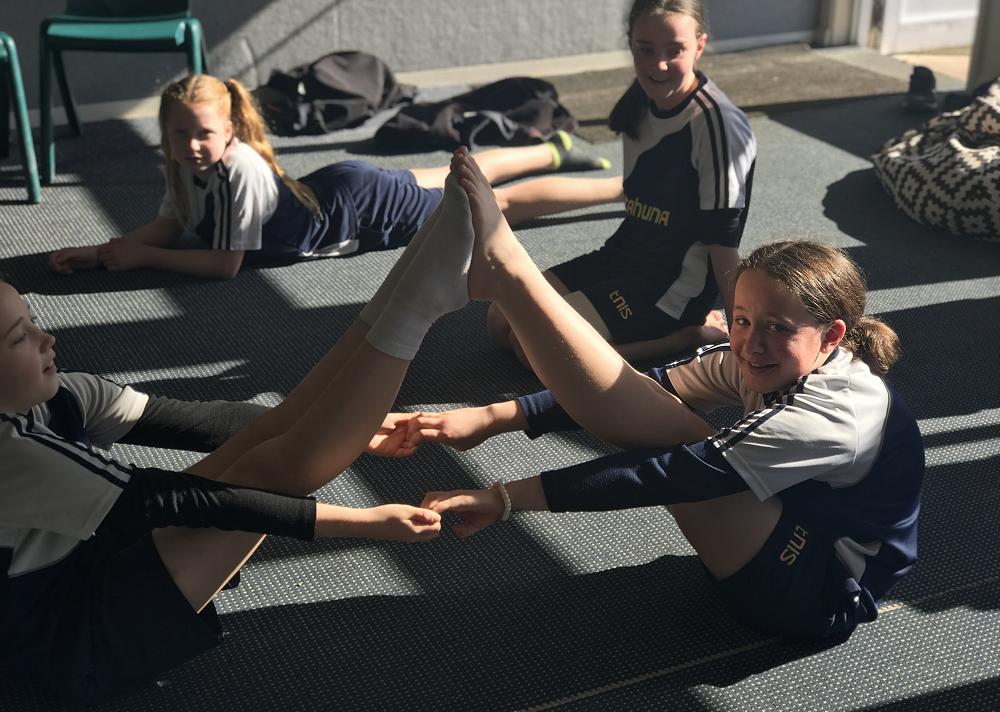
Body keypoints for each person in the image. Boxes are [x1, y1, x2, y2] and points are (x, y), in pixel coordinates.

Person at [401, 149, 924, 641]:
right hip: (792, 521)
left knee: (682, 445)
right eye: (742, 320)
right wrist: (493, 417)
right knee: (661, 409)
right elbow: (639, 389)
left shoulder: (834, 412)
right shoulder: (768, 360)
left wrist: (506, 499)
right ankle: (514, 280)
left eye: (777, 328)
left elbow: (673, 472)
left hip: (815, 593)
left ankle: (515, 277)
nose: (752, 345)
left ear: (831, 337)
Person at [1, 172, 480, 703]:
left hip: (95, 561)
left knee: (269, 439)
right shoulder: (8, 450)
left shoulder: (62, 391)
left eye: (34, 320)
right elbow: (177, 502)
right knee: (267, 472)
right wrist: (362, 523)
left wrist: (349, 421)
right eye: (20, 337)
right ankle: (416, 309)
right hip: (73, 642)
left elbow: (207, 422)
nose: (47, 338)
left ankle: (409, 289)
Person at [47, 74, 611, 280]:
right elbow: (169, 227)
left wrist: (143, 259)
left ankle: (623, 188)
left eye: (203, 134)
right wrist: (104, 251)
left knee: (494, 206)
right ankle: (553, 149)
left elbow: (224, 265)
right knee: (452, 173)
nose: (191, 145)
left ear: (230, 129)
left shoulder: (240, 170)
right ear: (166, 135)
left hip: (356, 211)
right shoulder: (185, 165)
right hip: (339, 188)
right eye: (178, 134)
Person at [485, 0, 757, 368]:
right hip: (622, 256)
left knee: (532, 348)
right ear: (630, 43)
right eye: (646, 50)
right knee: (499, 322)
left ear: (699, 46)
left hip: (670, 286)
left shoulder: (718, 125)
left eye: (674, 50)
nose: (659, 64)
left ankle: (686, 335)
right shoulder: (640, 103)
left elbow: (723, 247)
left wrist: (742, 334)